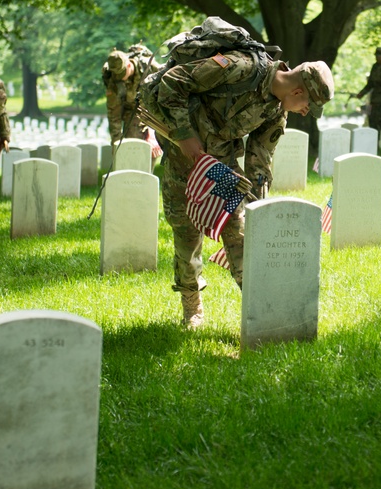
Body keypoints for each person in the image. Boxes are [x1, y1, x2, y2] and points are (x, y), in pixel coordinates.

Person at [142, 49, 334, 327]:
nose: (305, 112)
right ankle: (191, 306)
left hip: (223, 167)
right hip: (183, 162)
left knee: (240, 236)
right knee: (187, 237)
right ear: (297, 91)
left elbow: (260, 162)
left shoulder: (276, 111)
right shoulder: (237, 68)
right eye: (308, 105)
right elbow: (173, 81)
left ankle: (264, 314)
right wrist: (184, 135)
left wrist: (258, 208)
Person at [102, 44, 158, 145]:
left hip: (154, 109)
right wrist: (116, 143)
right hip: (133, 112)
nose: (120, 78)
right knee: (132, 143)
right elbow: (114, 113)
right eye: (117, 75)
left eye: (122, 73)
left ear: (129, 65)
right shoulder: (113, 81)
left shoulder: (149, 68)